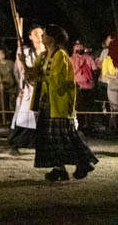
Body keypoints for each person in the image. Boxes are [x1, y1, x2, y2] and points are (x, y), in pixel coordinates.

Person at [29, 24, 98, 181]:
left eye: (45, 34)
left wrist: (41, 77)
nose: (42, 36)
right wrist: (29, 70)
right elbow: (34, 76)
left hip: (59, 102)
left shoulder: (61, 56)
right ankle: (58, 168)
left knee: (64, 135)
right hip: (46, 101)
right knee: (49, 136)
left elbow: (59, 81)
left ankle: (84, 161)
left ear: (53, 38)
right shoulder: (42, 57)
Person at [10, 25, 46, 152]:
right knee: (25, 117)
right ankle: (15, 143)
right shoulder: (26, 53)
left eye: (41, 33)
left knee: (44, 118)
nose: (39, 37)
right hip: (31, 89)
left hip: (46, 89)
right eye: (35, 34)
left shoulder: (49, 52)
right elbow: (22, 73)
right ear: (30, 37)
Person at [69, 40, 98, 130]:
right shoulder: (71, 59)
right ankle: (81, 125)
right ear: (73, 48)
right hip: (77, 86)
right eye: (77, 46)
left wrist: (94, 82)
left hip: (88, 86)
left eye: (81, 46)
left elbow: (94, 70)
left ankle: (89, 125)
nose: (79, 48)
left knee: (89, 106)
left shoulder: (88, 58)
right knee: (79, 107)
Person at [96, 34, 117, 132]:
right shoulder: (106, 52)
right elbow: (102, 66)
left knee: (114, 106)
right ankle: (111, 125)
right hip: (107, 81)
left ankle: (113, 125)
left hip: (112, 81)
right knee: (109, 105)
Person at [0, 48, 17, 114]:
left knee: (12, 104)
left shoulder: (11, 63)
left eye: (2, 53)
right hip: (1, 87)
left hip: (12, 86)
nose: (0, 55)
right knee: (2, 103)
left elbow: (16, 74)